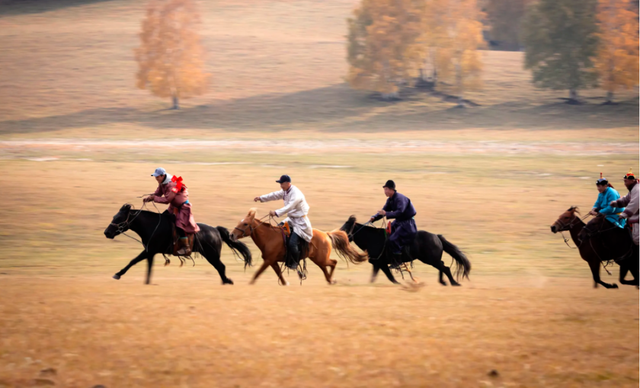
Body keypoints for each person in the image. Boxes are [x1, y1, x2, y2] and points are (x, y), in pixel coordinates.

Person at [254, 175, 312, 270]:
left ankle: (295, 261)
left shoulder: (296, 194)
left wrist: (276, 212)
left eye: (282, 183)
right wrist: (261, 198)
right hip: (291, 219)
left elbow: (289, 207)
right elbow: (274, 195)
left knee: (292, 243)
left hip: (300, 222)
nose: (280, 185)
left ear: (288, 183)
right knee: (277, 231)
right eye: (280, 183)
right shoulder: (286, 191)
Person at [144, 167, 199, 255]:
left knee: (179, 225)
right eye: (155, 177)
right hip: (173, 207)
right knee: (163, 220)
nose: (156, 178)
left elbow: (167, 200)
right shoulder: (162, 182)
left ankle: (186, 247)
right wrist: (149, 198)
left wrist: (154, 198)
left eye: (157, 177)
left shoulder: (172, 184)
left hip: (182, 207)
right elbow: (158, 193)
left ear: (163, 175)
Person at [369, 180, 417, 264]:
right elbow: (383, 211)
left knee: (393, 239)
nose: (385, 191)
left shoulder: (400, 198)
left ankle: (398, 261)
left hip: (407, 223)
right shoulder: (390, 200)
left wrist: (386, 213)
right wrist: (374, 217)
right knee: (386, 234)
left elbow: (400, 212)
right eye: (384, 189)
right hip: (399, 222)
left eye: (386, 189)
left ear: (392, 189)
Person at [610, 169, 639, 245]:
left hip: (638, 217)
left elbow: (635, 204)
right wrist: (616, 203)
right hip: (635, 216)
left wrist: (623, 214)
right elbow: (626, 199)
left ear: (632, 180)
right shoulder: (633, 189)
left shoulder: (637, 189)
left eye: (625, 181)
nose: (624, 184)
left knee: (637, 239)